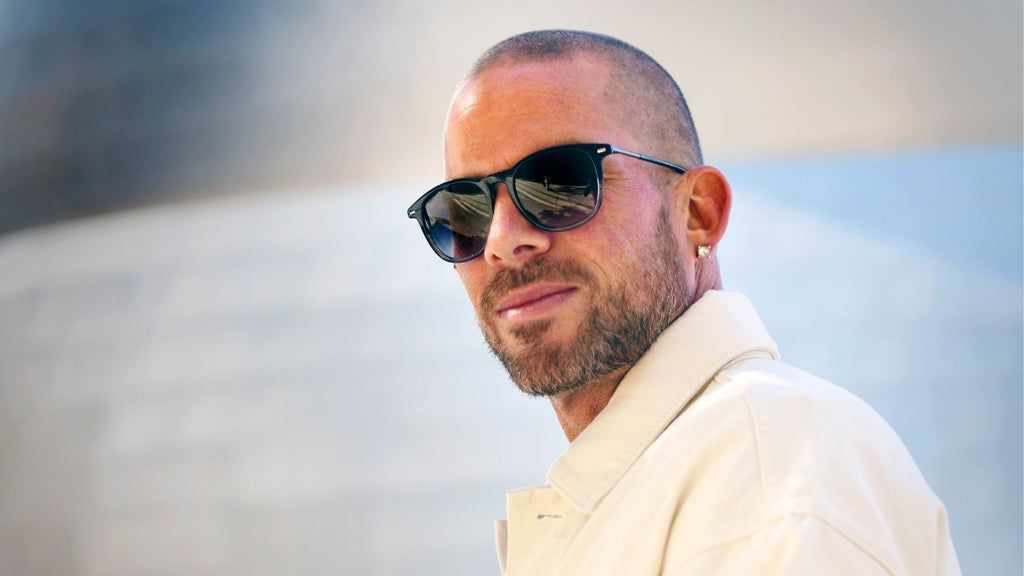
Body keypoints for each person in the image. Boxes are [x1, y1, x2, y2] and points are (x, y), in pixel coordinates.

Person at [406, 30, 960, 575]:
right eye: (464, 210)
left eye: (561, 183)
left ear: (698, 212)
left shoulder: (766, 470)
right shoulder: (690, 479)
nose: (502, 241)